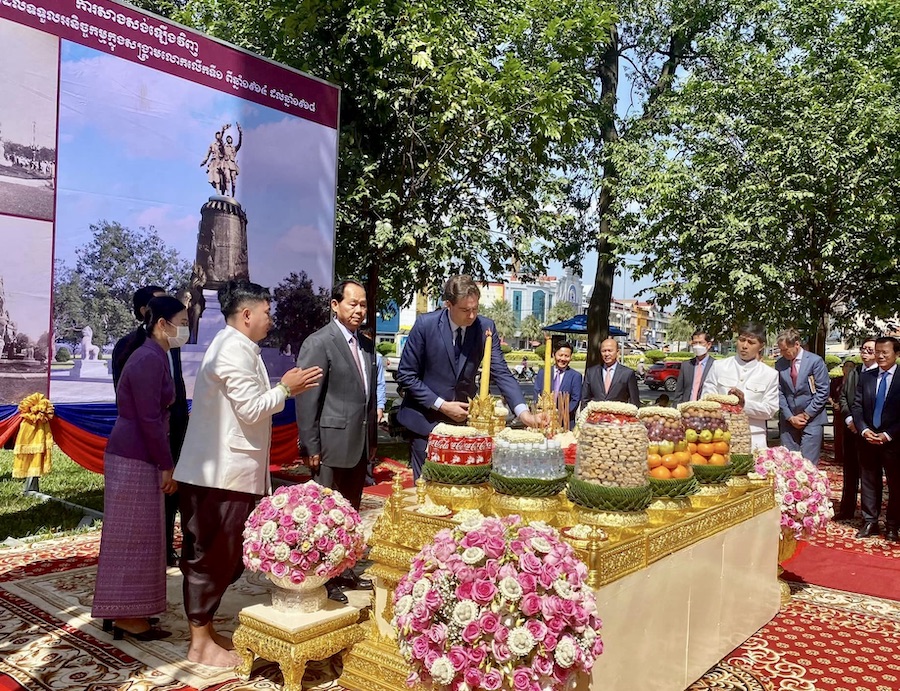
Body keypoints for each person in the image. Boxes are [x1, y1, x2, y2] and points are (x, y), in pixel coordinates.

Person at [174, 281, 322, 667]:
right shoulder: (229, 349)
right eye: (267, 313)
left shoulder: (240, 348)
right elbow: (252, 409)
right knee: (211, 557)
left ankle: (204, 631)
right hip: (217, 475)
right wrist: (286, 389)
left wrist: (283, 388)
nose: (270, 320)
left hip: (231, 474)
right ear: (247, 315)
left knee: (229, 556)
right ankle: (199, 643)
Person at [91, 296, 188, 641]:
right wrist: (166, 465)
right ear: (162, 324)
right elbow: (148, 419)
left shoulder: (155, 353)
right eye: (182, 320)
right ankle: (125, 616)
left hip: (139, 452)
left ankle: (134, 610)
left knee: (144, 536)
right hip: (135, 454)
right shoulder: (148, 358)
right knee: (132, 538)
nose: (185, 328)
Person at [396, 275, 542, 479]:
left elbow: (500, 372)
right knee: (425, 491)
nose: (472, 315)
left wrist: (524, 414)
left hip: (464, 424)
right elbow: (406, 375)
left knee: (461, 490)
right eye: (465, 310)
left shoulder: (485, 328)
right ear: (448, 304)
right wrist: (441, 405)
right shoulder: (425, 325)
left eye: (476, 309)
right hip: (425, 421)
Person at [296, 280, 378, 602]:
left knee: (349, 513)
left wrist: (371, 439)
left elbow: (367, 399)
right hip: (328, 446)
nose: (359, 310)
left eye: (363, 305)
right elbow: (307, 399)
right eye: (352, 304)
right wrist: (310, 444)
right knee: (324, 515)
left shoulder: (367, 346)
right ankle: (323, 576)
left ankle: (344, 568)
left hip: (357, 445)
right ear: (335, 305)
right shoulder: (320, 343)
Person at [110, 285, 188, 566]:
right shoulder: (135, 350)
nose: (183, 327)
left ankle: (165, 548)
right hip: (143, 439)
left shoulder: (167, 349)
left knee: (170, 494)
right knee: (141, 510)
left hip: (173, 426)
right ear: (150, 315)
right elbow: (141, 408)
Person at [850, 336, 900, 541]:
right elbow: (857, 405)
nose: (879, 356)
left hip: (894, 441)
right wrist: (863, 430)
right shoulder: (867, 376)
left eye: (884, 352)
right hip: (868, 438)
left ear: (896, 354)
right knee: (869, 482)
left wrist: (888, 435)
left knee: (896, 484)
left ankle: (892, 525)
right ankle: (870, 521)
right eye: (877, 351)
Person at [702, 323, 779, 452]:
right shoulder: (719, 366)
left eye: (751, 342)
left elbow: (770, 410)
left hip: (753, 440)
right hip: (718, 437)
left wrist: (744, 404)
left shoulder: (770, 374)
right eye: (742, 340)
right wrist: (725, 405)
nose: (744, 346)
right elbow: (705, 399)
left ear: (761, 346)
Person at [836, 338, 878, 520]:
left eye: (870, 349)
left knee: (869, 475)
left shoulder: (881, 374)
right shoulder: (854, 371)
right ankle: (846, 510)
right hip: (851, 429)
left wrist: (863, 425)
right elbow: (843, 396)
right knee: (850, 471)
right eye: (863, 349)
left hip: (870, 432)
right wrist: (849, 418)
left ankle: (870, 515)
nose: (865, 352)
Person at [775, 329, 830, 465]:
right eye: (781, 350)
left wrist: (806, 415)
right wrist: (790, 416)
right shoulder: (780, 364)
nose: (782, 353)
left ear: (797, 344)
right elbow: (779, 392)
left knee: (808, 464)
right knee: (788, 463)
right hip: (789, 420)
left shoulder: (815, 362)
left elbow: (822, 391)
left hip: (812, 419)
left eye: (785, 350)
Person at [533, 340, 582, 429]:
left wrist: (559, 415)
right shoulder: (543, 373)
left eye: (566, 356)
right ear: (553, 355)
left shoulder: (576, 376)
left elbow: (575, 400)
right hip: (543, 421)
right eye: (560, 355)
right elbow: (536, 394)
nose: (563, 359)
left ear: (571, 357)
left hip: (565, 423)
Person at [581, 338, 640, 407]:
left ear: (617, 352)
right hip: (596, 416)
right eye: (604, 351)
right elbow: (585, 400)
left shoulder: (627, 373)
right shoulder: (591, 372)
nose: (606, 354)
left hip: (618, 416)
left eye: (610, 351)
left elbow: (634, 402)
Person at [673, 330, 715, 404]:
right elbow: (679, 392)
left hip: (706, 410)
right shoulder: (686, 365)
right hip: (687, 409)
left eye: (701, 343)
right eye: (695, 343)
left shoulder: (715, 365)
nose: (697, 346)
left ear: (708, 345)